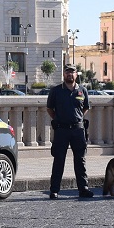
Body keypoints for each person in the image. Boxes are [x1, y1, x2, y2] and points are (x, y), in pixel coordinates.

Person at [47, 65, 93, 199]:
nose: (70, 75)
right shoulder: (56, 91)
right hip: (62, 130)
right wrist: (59, 119)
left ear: (76, 75)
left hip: (78, 130)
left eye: (72, 72)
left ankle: (83, 189)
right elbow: (50, 109)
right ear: (64, 74)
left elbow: (85, 108)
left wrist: (76, 118)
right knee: (58, 160)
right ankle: (54, 190)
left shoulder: (82, 90)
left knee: (80, 160)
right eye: (67, 72)